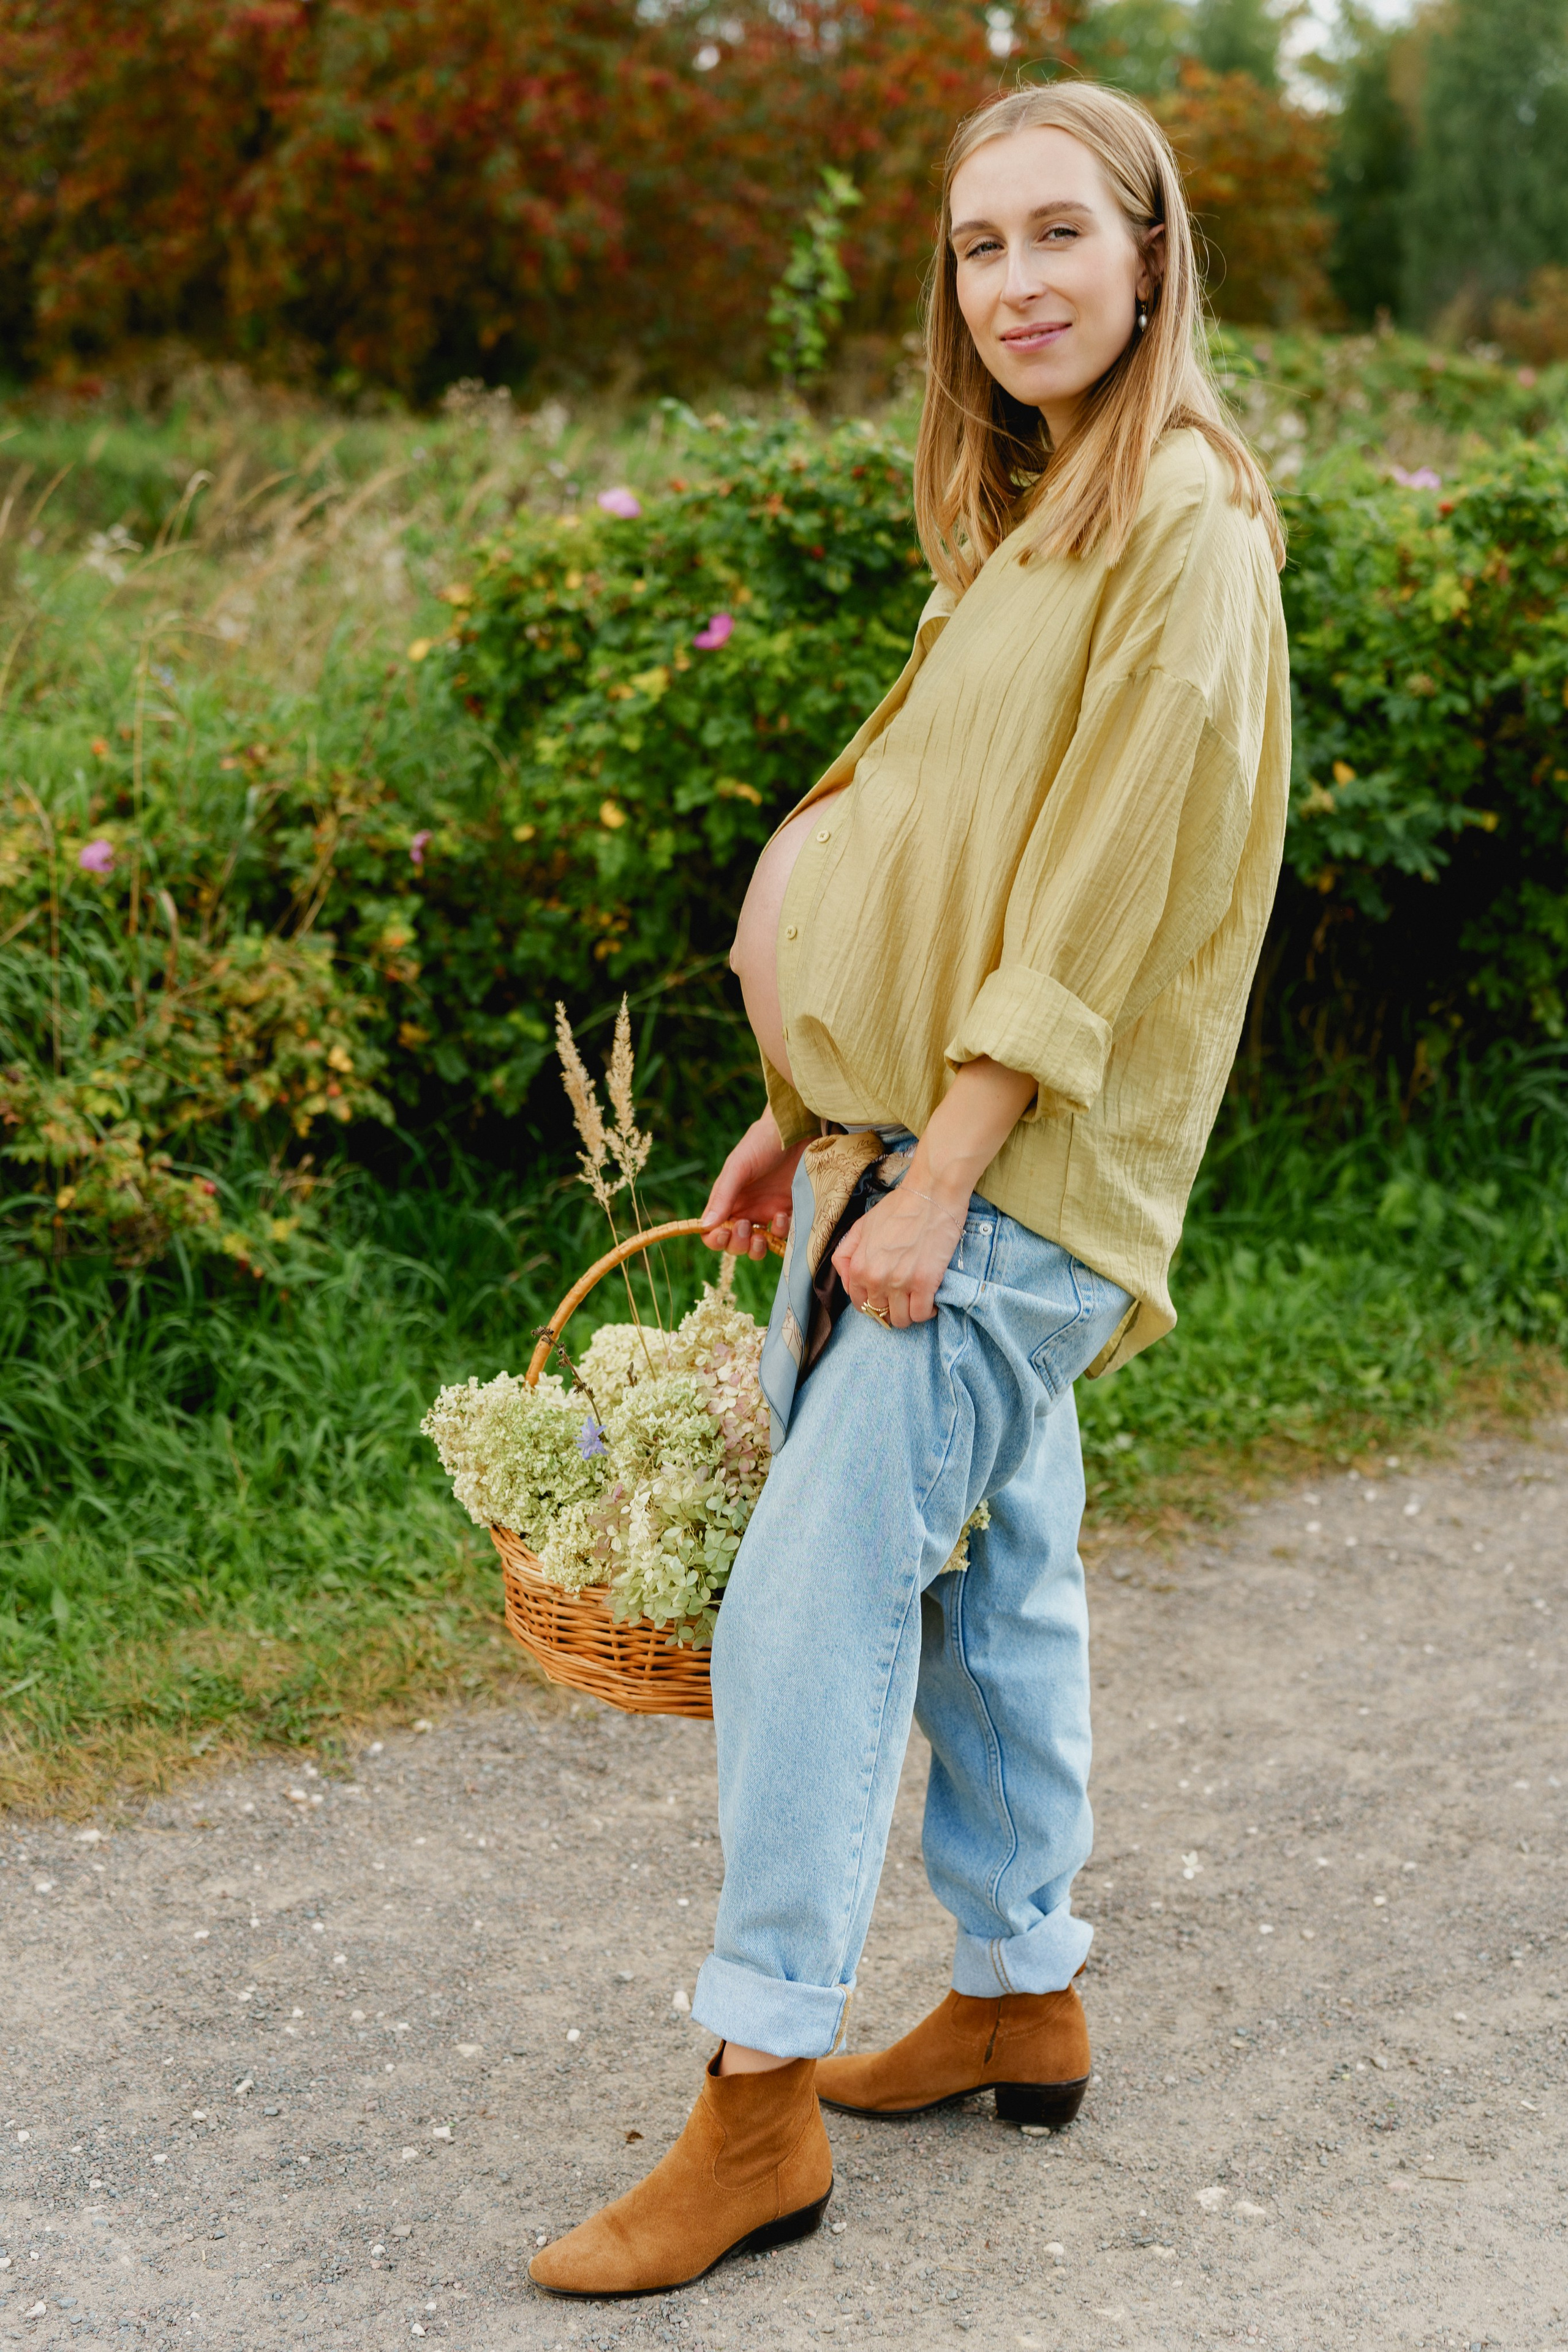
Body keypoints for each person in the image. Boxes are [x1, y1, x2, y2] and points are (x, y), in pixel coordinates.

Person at [530, 77, 1289, 2301]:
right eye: (980, 250)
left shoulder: (1187, 530)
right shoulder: (1047, 518)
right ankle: (1021, 1989)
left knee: (812, 1600)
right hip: (914, 1147)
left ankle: (755, 2099)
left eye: (1063, 235)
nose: (1020, 284)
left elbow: (1102, 897)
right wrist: (814, 1104)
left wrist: (941, 1165)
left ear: (1152, 257)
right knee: (1000, 1578)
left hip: (1018, 1176)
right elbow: (950, 843)